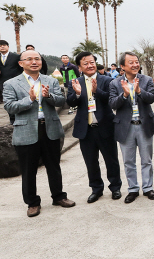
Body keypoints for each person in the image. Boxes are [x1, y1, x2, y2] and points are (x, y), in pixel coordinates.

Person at [3, 50, 75, 217]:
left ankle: (59, 197)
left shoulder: (50, 80)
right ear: (21, 63)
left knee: (54, 166)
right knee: (28, 169)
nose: (34, 62)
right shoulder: (11, 83)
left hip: (49, 128)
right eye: (29, 59)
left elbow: (60, 101)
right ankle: (32, 203)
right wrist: (29, 99)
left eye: (37, 59)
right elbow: (10, 107)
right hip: (26, 129)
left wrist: (48, 95)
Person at [66, 52, 122, 203]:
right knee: (91, 161)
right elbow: (70, 103)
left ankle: (115, 187)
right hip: (86, 129)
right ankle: (96, 189)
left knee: (111, 160)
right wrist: (77, 94)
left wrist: (97, 91)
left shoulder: (107, 80)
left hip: (105, 126)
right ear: (79, 67)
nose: (90, 65)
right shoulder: (75, 82)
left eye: (92, 62)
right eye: (86, 63)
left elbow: (111, 101)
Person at [109, 52, 154, 204]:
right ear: (122, 67)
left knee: (146, 160)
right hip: (126, 127)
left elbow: (151, 98)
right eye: (131, 62)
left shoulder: (147, 80)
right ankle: (133, 189)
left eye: (136, 62)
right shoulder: (115, 83)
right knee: (128, 161)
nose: (135, 64)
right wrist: (124, 95)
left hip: (144, 125)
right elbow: (112, 104)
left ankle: (148, 188)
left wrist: (138, 91)